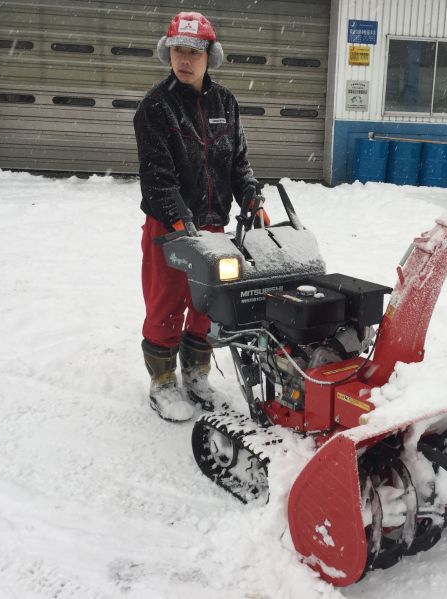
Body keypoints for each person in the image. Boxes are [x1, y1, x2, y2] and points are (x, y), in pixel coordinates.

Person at [134, 11, 262, 422]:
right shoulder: (156, 106)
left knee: (208, 303)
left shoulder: (225, 102)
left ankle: (197, 373)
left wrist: (252, 197)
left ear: (211, 55)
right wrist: (177, 222)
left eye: (193, 52)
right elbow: (157, 176)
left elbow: (237, 162)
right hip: (169, 229)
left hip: (213, 225)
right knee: (165, 304)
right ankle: (163, 382)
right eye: (177, 51)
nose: (184, 60)